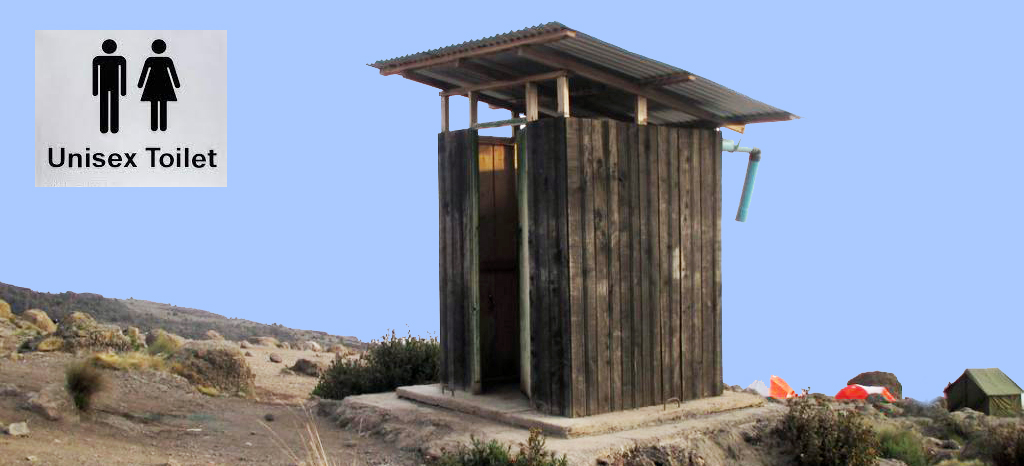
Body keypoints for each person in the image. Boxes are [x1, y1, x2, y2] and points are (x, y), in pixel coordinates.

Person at [137, 39, 180, 131]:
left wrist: (140, 84)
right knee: (162, 105)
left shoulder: (150, 60)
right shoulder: (167, 60)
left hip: (152, 85)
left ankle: (154, 126)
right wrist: (176, 84)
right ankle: (162, 126)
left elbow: (144, 73)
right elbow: (173, 73)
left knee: (154, 105)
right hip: (165, 85)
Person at [92, 39, 126, 134]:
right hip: (111, 86)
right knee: (109, 105)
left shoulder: (119, 59)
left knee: (109, 105)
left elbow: (123, 75)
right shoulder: (99, 59)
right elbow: (95, 75)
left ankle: (110, 128)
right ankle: (107, 128)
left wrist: (95, 90)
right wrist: (123, 90)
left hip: (108, 86)